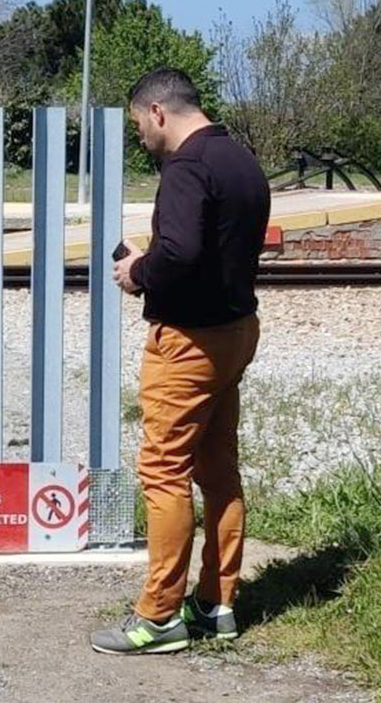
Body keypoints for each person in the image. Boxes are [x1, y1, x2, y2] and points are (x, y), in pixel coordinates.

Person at [91, 68, 270, 656]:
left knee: (164, 471)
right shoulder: (241, 159)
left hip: (189, 342)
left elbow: (183, 251)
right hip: (235, 332)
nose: (141, 134)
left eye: (139, 122)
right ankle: (217, 605)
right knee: (218, 471)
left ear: (160, 112)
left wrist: (137, 272)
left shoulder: (187, 166)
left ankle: (159, 615)